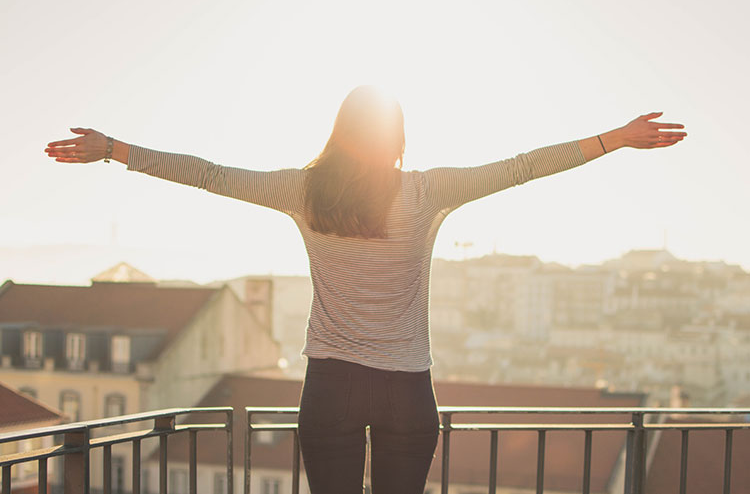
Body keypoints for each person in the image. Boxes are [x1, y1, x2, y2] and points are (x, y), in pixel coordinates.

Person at [45, 85, 686, 494]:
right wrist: (614, 140)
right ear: (398, 138)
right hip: (408, 386)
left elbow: (213, 176)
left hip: (331, 384)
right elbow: (518, 169)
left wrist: (116, 150)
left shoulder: (302, 189)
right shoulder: (427, 190)